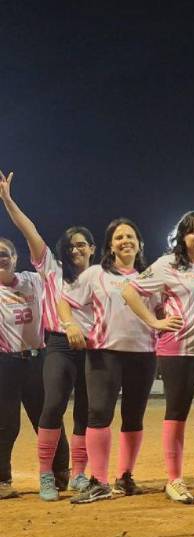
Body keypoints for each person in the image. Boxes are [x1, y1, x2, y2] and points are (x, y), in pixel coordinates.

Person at [122, 210, 194, 504]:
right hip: (179, 350)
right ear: (183, 236)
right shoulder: (167, 265)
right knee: (177, 412)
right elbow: (129, 291)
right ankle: (174, 480)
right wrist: (154, 322)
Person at [58, 218, 161, 503]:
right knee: (99, 413)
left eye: (131, 236)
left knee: (134, 416)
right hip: (104, 352)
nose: (125, 241)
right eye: (119, 237)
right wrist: (70, 325)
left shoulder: (151, 276)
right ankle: (99, 480)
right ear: (110, 246)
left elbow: (165, 307)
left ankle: (125, 477)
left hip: (144, 353)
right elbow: (65, 300)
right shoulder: (96, 274)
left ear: (140, 243)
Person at [0, 170, 74, 500]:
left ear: (17, 258)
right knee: (5, 424)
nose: (2, 257)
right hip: (4, 364)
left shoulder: (34, 280)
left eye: (7, 253)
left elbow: (32, 234)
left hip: (37, 359)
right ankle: (2, 480)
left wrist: (8, 202)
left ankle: (61, 473)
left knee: (49, 414)